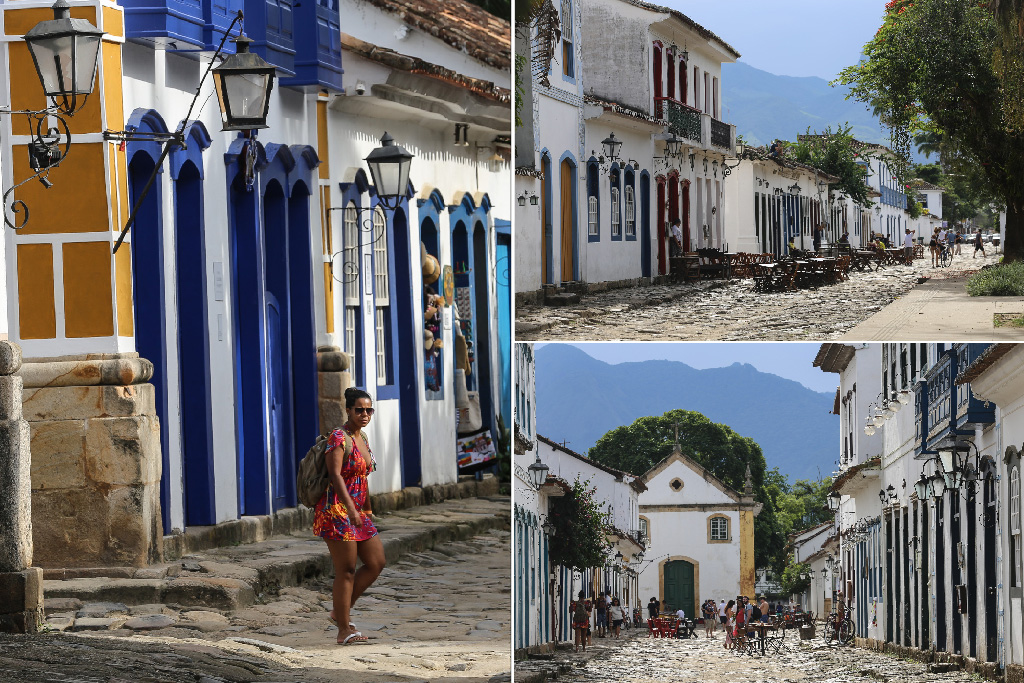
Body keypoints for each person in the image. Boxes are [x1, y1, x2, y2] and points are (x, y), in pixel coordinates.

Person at [315, 387, 386, 646]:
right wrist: (351, 509)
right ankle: (343, 629)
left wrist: (365, 510)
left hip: (357, 512)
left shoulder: (362, 438)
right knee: (345, 570)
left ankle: (339, 612)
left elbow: (363, 478)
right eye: (360, 410)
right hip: (335, 510)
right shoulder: (338, 437)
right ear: (348, 410)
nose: (365, 414)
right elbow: (335, 476)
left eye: (369, 410)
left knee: (376, 562)